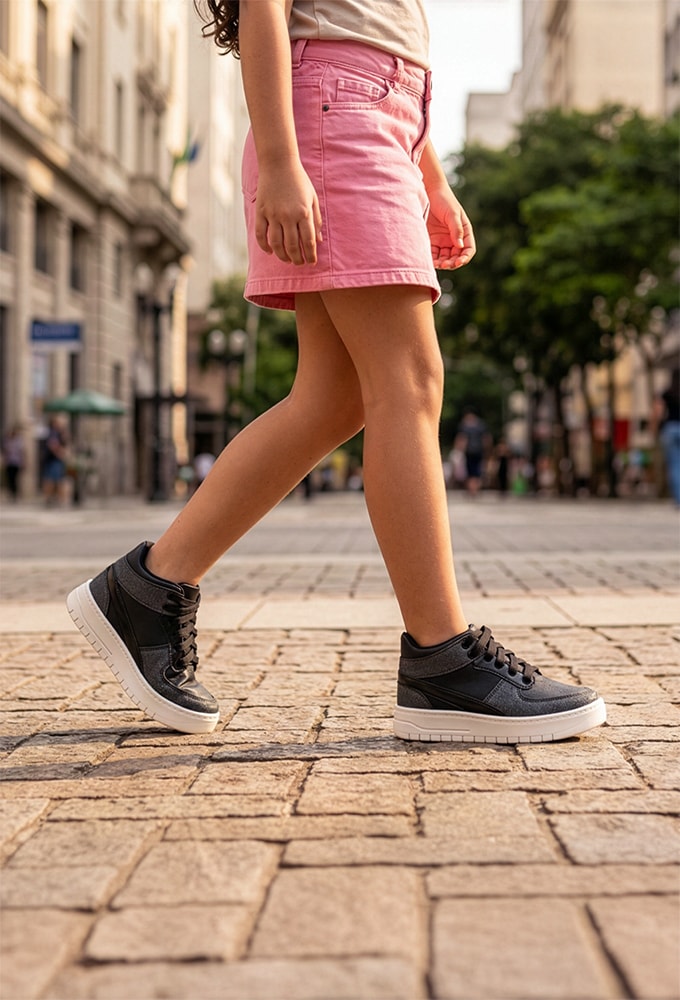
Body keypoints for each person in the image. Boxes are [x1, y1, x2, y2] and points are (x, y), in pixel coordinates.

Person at [66, 0, 605, 743]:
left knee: (334, 396)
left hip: (373, 119)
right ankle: (442, 656)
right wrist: (285, 164)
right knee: (409, 381)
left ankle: (148, 588)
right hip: (333, 120)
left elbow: (384, 33)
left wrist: (429, 172)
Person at [653, 368, 680, 506]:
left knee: (675, 465)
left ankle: (678, 499)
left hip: (670, 429)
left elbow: (658, 412)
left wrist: (655, 428)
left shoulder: (667, 393)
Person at [456, 410, 488, 497]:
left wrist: (459, 449)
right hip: (479, 451)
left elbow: (462, 439)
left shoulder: (465, 426)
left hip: (469, 452)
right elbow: (486, 439)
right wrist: (486, 450)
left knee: (470, 471)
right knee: (477, 471)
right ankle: (475, 490)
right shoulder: (481, 425)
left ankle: (472, 490)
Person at [42, 417, 69, 506]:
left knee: (55, 480)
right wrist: (60, 453)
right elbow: (52, 445)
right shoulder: (52, 433)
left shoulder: (58, 433)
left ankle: (53, 498)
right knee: (53, 480)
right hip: (53, 460)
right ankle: (52, 498)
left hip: (54, 460)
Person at [2, 425, 25, 501]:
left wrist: (23, 462)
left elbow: (22, 451)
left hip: (16, 462)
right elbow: (5, 451)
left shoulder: (19, 440)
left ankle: (15, 494)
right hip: (9, 462)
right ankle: (11, 493)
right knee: (10, 478)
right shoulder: (7, 440)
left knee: (15, 478)